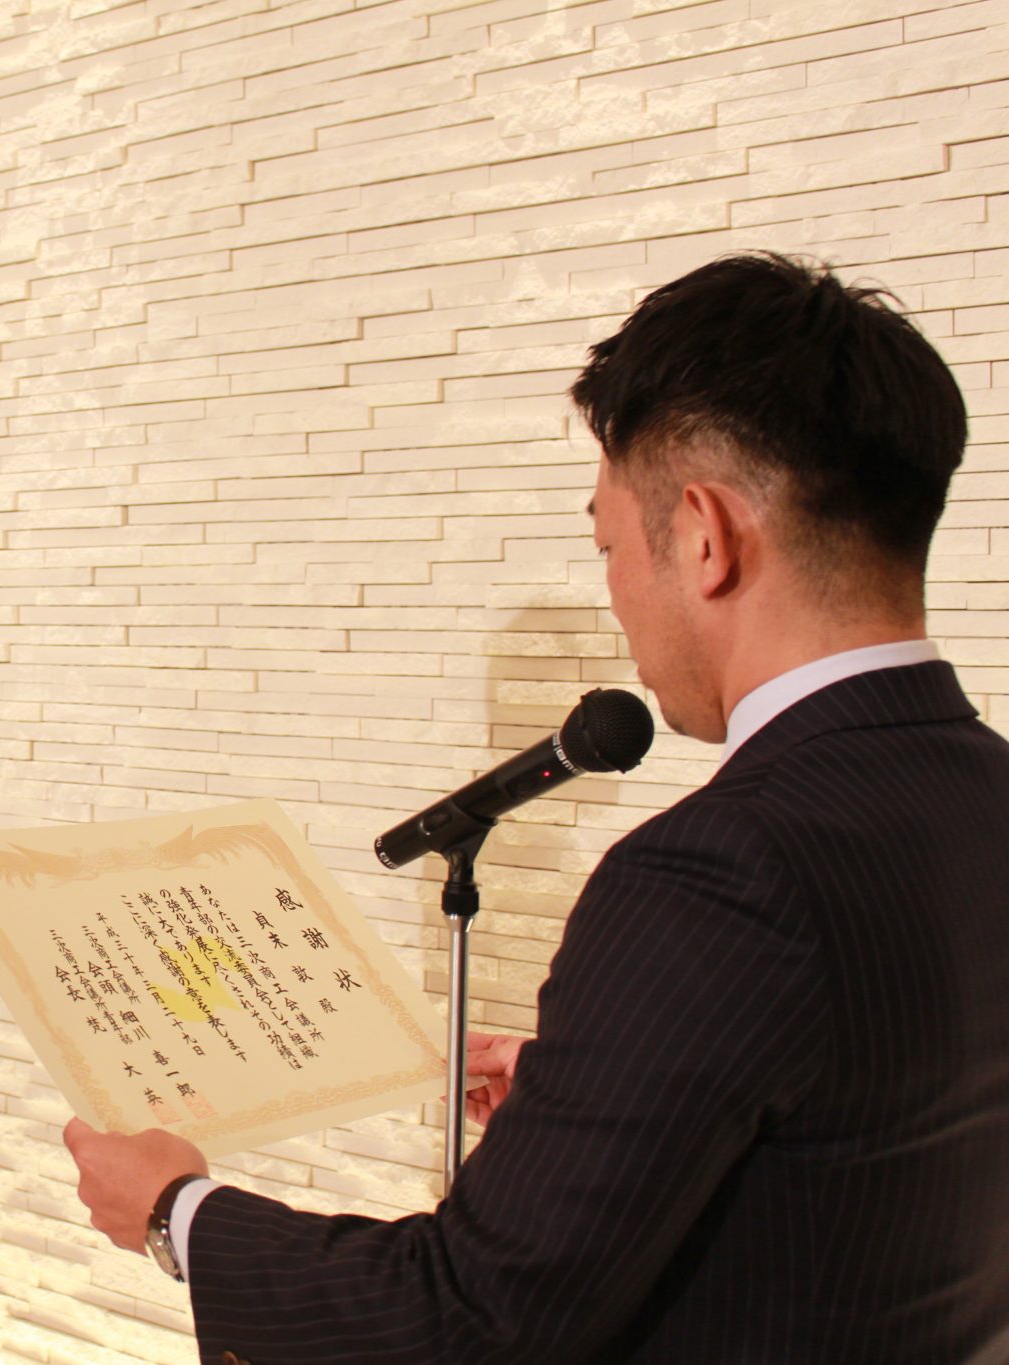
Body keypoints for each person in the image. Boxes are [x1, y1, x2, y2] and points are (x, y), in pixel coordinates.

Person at [62, 254, 1009, 1363]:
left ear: (704, 536)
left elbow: (467, 1322)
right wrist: (600, 1098)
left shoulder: (717, 870)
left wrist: (177, 1215)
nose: (613, 591)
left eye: (607, 544)